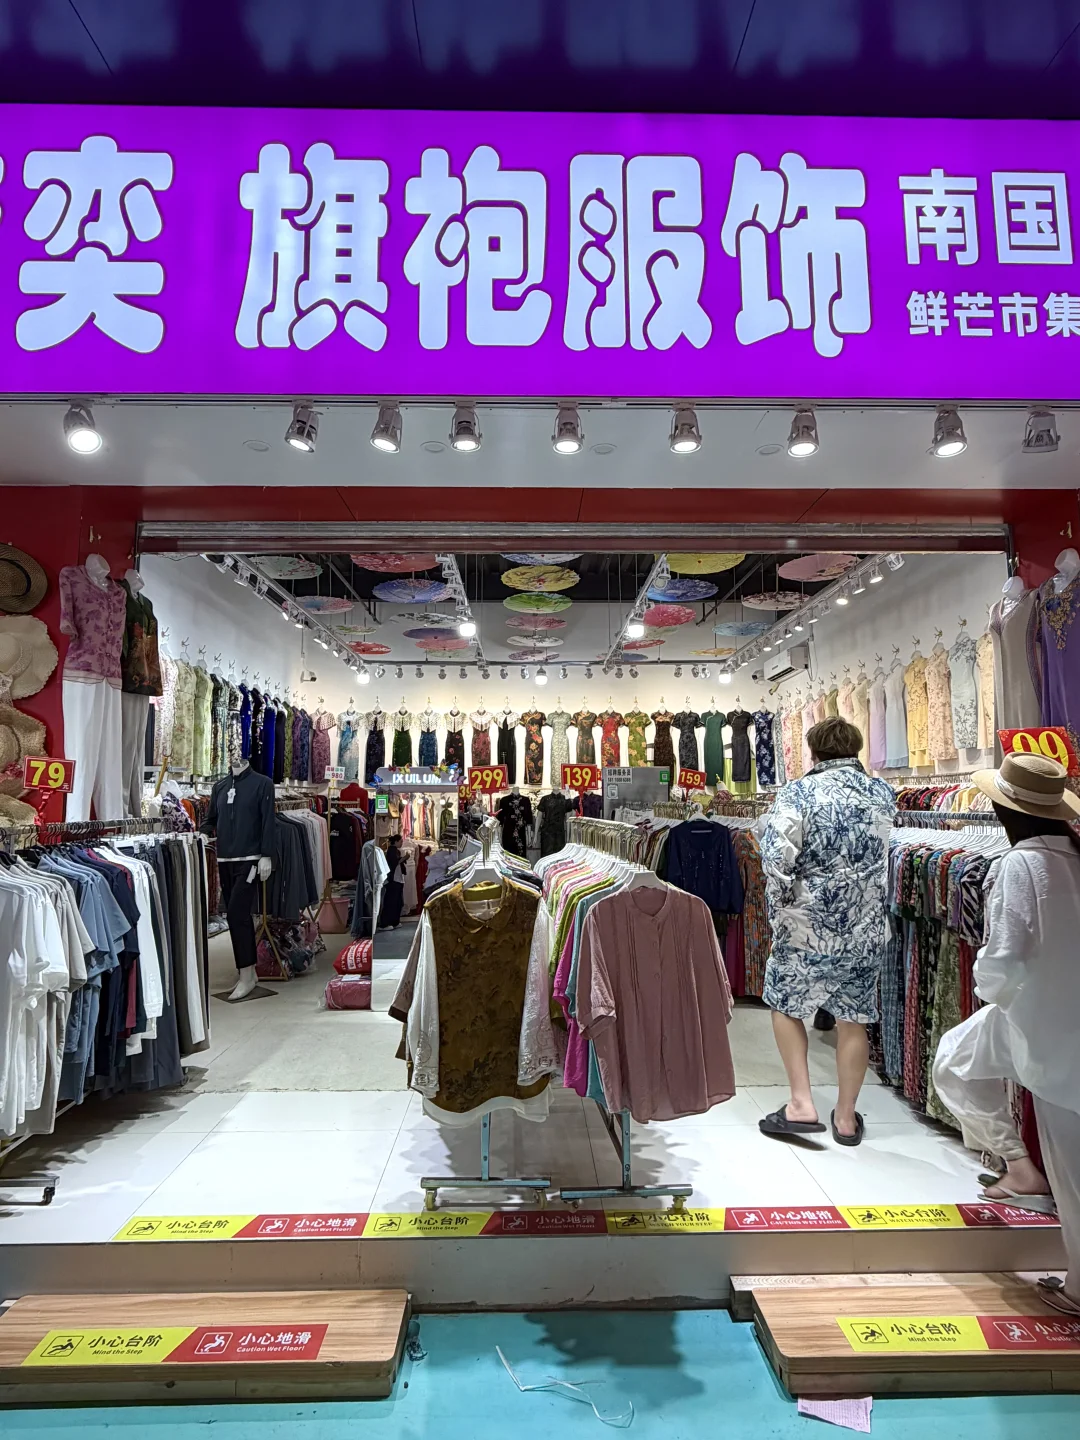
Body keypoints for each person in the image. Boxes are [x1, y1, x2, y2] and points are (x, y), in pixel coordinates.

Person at [932, 751, 1080, 1318]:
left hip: (1041, 1018)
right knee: (954, 1060)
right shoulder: (1070, 856)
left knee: (1071, 1164)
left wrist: (988, 985)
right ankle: (1019, 1166)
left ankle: (1078, 1289)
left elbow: (1006, 953)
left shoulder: (1023, 864)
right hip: (1045, 1013)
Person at [758, 716, 895, 1146]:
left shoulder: (798, 793)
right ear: (855, 749)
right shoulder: (882, 793)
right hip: (865, 926)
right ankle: (847, 1118)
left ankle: (801, 1103)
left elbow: (776, 859)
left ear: (814, 752)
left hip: (807, 927)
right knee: (853, 1019)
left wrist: (781, 908)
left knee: (785, 1004)